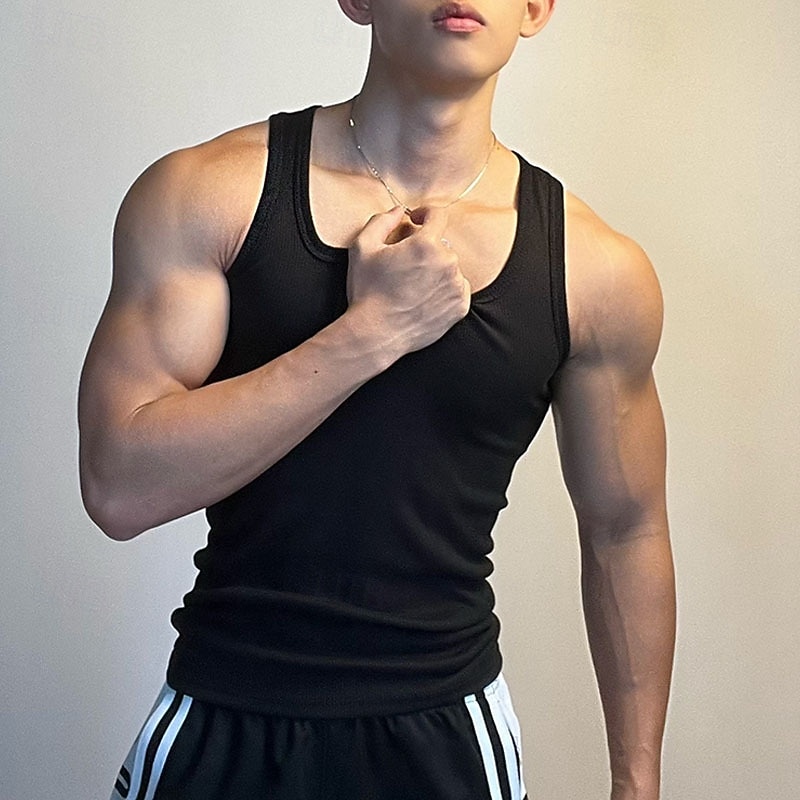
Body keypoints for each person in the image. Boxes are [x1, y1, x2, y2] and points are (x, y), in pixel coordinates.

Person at [78, 1, 676, 798]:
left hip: (446, 733)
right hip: (224, 712)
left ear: (535, 7)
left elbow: (625, 529)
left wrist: (636, 784)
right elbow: (119, 486)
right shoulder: (206, 196)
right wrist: (370, 334)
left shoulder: (597, 272)